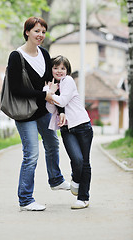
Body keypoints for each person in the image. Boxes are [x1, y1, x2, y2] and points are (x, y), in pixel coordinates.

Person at [7, 17, 70, 211]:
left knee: (52, 144)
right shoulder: (16, 56)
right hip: (25, 114)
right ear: (27, 32)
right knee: (31, 155)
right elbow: (16, 89)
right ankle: (25, 200)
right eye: (36, 31)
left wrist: (60, 109)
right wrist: (43, 94)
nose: (40, 35)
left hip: (43, 111)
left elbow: (52, 85)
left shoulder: (44, 54)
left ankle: (56, 179)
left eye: (43, 31)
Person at [44, 55, 93, 209]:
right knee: (76, 160)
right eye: (56, 67)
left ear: (67, 70)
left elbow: (63, 101)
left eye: (63, 68)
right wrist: (49, 91)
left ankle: (83, 198)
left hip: (83, 125)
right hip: (66, 128)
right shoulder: (50, 86)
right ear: (51, 69)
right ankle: (76, 178)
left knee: (84, 162)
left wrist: (49, 95)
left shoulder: (68, 81)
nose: (59, 71)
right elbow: (51, 109)